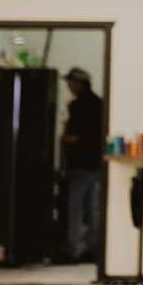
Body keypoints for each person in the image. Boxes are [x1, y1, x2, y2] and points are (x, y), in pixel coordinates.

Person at [60, 66, 106, 263]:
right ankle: (93, 249)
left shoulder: (78, 106)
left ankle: (75, 249)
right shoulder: (101, 104)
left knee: (76, 208)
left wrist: (67, 139)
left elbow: (77, 137)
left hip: (80, 165)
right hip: (96, 165)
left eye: (71, 82)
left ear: (79, 83)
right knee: (94, 208)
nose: (69, 86)